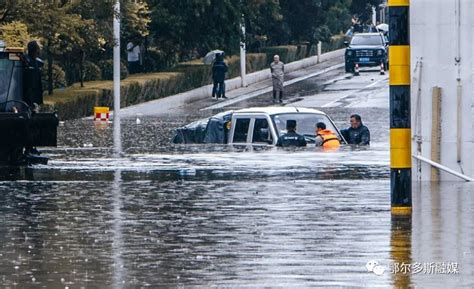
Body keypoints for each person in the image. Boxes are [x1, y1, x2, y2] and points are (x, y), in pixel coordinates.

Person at [23, 40, 44, 110]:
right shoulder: (28, 61)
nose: (40, 49)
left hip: (33, 97)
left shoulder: (36, 62)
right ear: (35, 50)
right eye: (39, 48)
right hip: (29, 98)